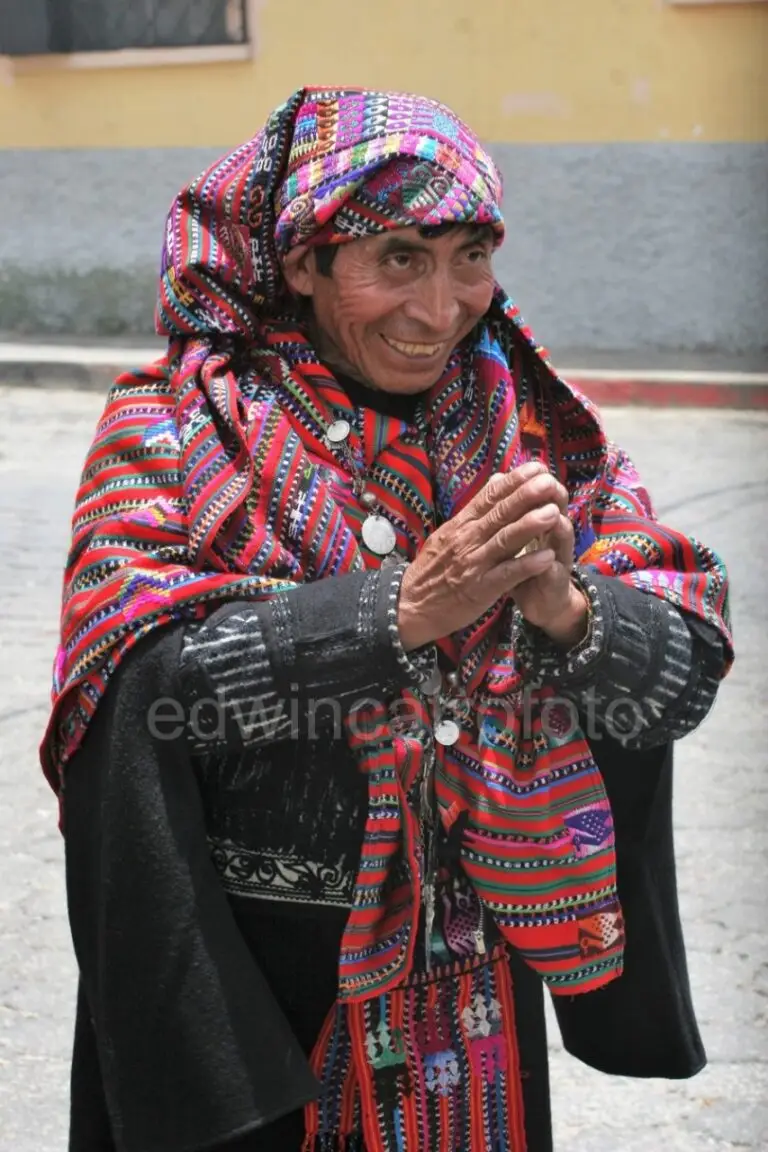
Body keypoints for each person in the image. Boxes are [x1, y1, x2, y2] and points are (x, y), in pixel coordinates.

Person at [43, 87, 733, 1152]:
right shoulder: (174, 424)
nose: (442, 304)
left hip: (474, 1004)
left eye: (470, 254)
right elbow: (129, 685)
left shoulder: (532, 423)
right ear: (306, 261)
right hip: (254, 989)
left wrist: (566, 606)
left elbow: (680, 671)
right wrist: (394, 614)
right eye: (398, 257)